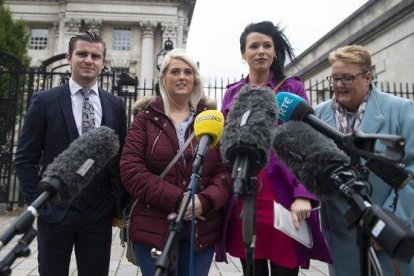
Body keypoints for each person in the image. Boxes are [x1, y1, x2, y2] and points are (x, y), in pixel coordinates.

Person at [218, 21, 332, 276]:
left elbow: (309, 143)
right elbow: (224, 147)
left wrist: (304, 194)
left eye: (267, 46)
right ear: (243, 53)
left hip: (284, 199)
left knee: (285, 268)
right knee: (251, 269)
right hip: (244, 196)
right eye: (254, 46)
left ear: (275, 51)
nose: (261, 51)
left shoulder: (292, 89)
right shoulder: (232, 94)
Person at [14, 31, 127, 276]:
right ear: (69, 57)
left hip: (98, 214)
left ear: (103, 63)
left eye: (95, 56)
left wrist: (118, 204)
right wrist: (39, 203)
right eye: (82, 54)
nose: (89, 60)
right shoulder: (45, 101)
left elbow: (120, 159)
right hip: (55, 213)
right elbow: (25, 158)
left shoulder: (115, 105)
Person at [119, 48, 231, 276]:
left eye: (188, 72)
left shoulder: (212, 118)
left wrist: (205, 200)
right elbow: (131, 169)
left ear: (195, 79)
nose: (182, 77)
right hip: (153, 225)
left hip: (201, 228)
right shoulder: (144, 120)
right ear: (164, 78)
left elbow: (224, 170)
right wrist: (178, 200)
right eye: (175, 71)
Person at [315, 44, 414, 276]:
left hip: (388, 232)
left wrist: (389, 223)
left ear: (368, 77)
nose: (338, 85)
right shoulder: (318, 114)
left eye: (347, 78)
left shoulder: (400, 110)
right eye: (334, 78)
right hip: (341, 234)